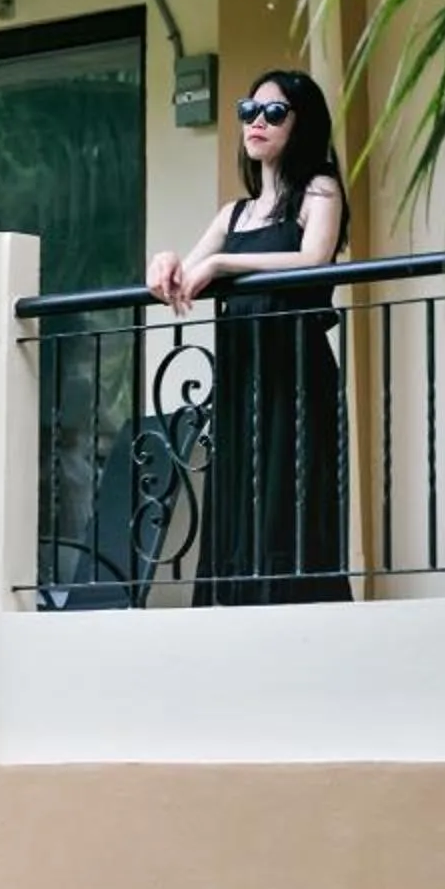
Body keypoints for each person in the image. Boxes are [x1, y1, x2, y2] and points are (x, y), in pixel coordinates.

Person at [145, 68, 353, 605]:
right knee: (240, 488)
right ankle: (236, 603)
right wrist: (163, 262)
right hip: (242, 372)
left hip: (296, 369)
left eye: (274, 112)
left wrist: (223, 264)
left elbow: (313, 259)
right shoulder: (232, 215)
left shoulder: (320, 190)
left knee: (292, 489)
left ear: (301, 124)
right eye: (248, 111)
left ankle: (298, 606)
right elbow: (180, 277)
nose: (257, 122)